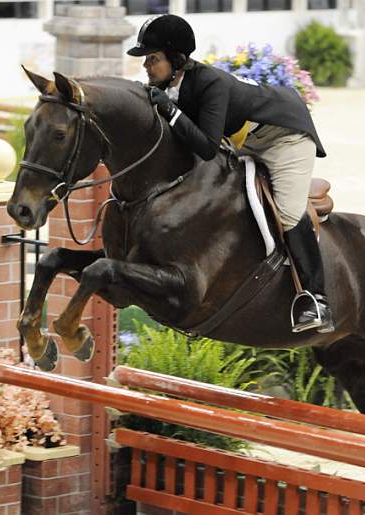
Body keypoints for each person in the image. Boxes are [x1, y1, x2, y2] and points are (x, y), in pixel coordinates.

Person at [127, 14, 334, 334]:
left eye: (152, 59)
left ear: (176, 58)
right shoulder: (172, 86)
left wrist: (169, 110)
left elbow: (207, 147)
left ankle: (316, 300)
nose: (146, 66)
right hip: (248, 141)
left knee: (289, 212)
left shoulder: (210, 83)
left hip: (285, 137)